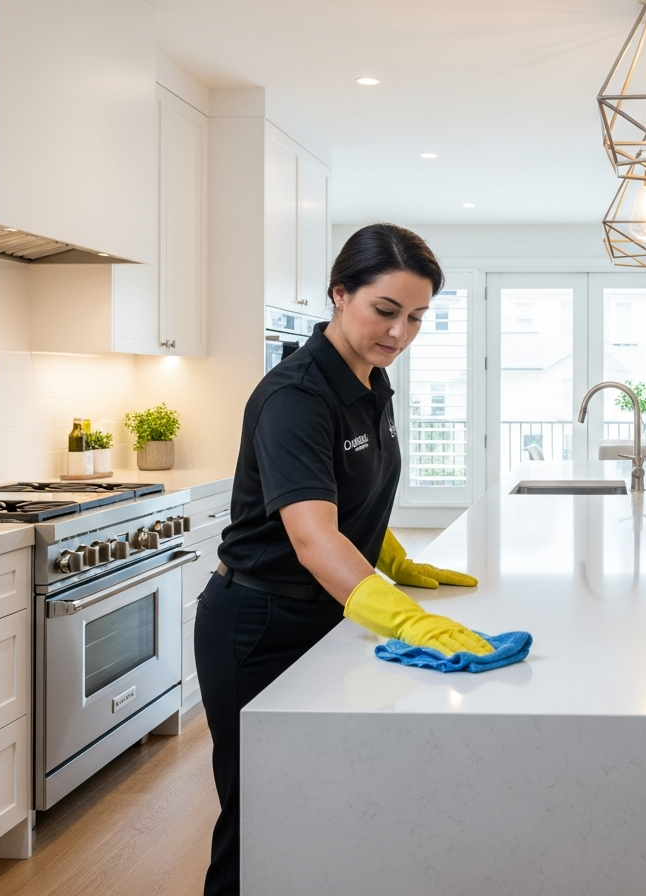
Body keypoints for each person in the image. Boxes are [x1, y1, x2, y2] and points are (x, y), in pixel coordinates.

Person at [193, 223, 493, 896]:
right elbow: (311, 536)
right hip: (259, 626)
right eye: (385, 311)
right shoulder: (295, 397)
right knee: (260, 818)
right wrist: (408, 618)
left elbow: (346, 495)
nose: (400, 332)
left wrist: (394, 557)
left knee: (328, 801)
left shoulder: (371, 379)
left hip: (326, 616)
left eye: (417, 317)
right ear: (339, 294)